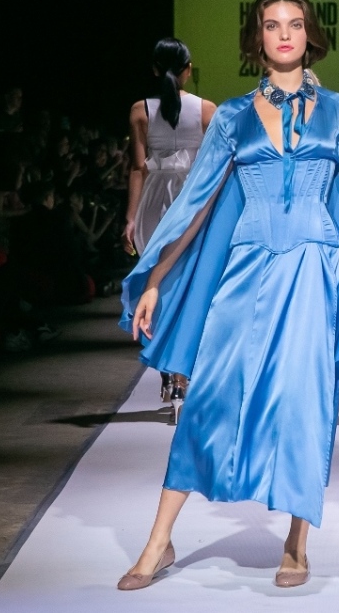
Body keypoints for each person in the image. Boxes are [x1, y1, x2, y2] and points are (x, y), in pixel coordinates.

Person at [117, 0, 339, 590]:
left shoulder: (338, 111)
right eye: (272, 24)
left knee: (305, 402)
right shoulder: (231, 116)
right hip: (246, 267)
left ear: (310, 34)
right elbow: (196, 204)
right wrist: (155, 278)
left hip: (314, 268)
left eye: (295, 23)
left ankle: (296, 542)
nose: (284, 34)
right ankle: (159, 541)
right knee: (209, 396)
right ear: (257, 37)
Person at [123, 38, 217, 409]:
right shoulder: (208, 110)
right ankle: (180, 375)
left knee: (157, 284)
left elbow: (138, 168)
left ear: (154, 69)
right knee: (188, 285)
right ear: (188, 70)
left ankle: (168, 371)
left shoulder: (140, 110)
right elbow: (214, 169)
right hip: (191, 202)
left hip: (153, 203)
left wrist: (131, 218)